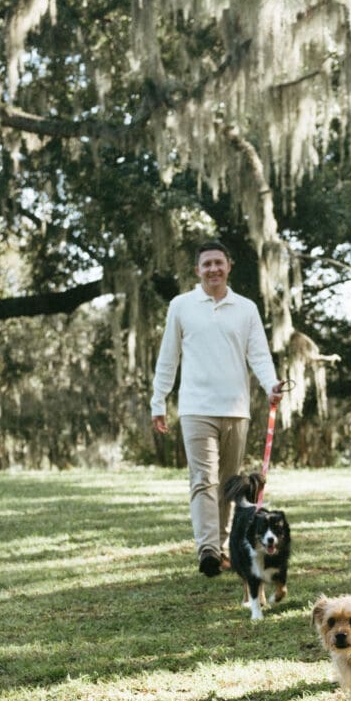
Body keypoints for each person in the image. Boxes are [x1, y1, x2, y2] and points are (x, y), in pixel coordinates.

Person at [151, 239, 283, 577]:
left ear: (228, 267)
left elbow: (259, 355)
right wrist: (159, 400)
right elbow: (168, 358)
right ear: (197, 270)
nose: (213, 269)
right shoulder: (181, 306)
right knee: (203, 479)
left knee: (228, 484)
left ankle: (222, 547)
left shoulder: (246, 308)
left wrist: (271, 386)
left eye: (218, 263)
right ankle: (208, 550)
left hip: (236, 408)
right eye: (206, 264)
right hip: (196, 408)